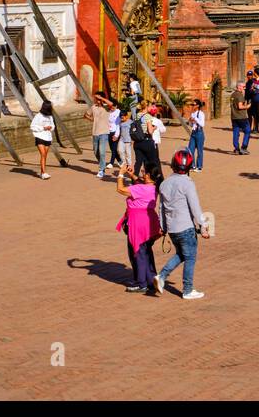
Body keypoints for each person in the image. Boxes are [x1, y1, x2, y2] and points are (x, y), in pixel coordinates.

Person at [155, 149, 210, 300]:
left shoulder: (164, 184)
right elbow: (195, 207)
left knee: (181, 254)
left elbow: (162, 207)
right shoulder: (187, 183)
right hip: (186, 227)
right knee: (190, 257)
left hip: (173, 229)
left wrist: (163, 227)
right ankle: (187, 289)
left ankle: (162, 276)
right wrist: (203, 227)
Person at [115, 159, 162, 295]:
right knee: (146, 250)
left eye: (143, 172)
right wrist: (132, 175)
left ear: (147, 175)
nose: (141, 173)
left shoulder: (141, 189)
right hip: (149, 221)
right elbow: (141, 185)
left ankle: (141, 283)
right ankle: (151, 278)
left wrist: (121, 174)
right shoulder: (153, 188)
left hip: (138, 222)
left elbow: (120, 189)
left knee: (137, 253)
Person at [88, 93, 114, 179]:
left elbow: (111, 104)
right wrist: (91, 119)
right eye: (96, 98)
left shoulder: (106, 107)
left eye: (99, 99)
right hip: (95, 132)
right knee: (96, 152)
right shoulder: (93, 107)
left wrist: (101, 98)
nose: (97, 100)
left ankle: (101, 170)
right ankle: (102, 164)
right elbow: (87, 114)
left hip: (104, 133)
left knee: (102, 152)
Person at [31, 100, 56, 180]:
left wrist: (50, 127)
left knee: (45, 155)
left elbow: (53, 126)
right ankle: (43, 173)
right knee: (43, 154)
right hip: (39, 137)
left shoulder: (50, 116)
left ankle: (43, 172)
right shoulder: (38, 116)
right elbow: (32, 126)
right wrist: (43, 128)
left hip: (48, 137)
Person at [185, 99, 206, 172]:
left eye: (193, 105)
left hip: (199, 133)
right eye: (191, 104)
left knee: (199, 150)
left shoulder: (201, 114)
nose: (192, 106)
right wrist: (190, 121)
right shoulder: (192, 114)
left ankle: (199, 166)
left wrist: (195, 119)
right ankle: (192, 165)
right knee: (190, 149)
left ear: (197, 106)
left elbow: (202, 124)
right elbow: (191, 125)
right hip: (193, 133)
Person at [229, 83, 250, 155]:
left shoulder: (232, 95)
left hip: (234, 117)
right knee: (247, 131)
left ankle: (236, 148)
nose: (244, 89)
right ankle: (244, 147)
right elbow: (240, 106)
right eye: (243, 87)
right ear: (239, 87)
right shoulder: (240, 95)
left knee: (236, 132)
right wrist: (247, 106)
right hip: (241, 117)